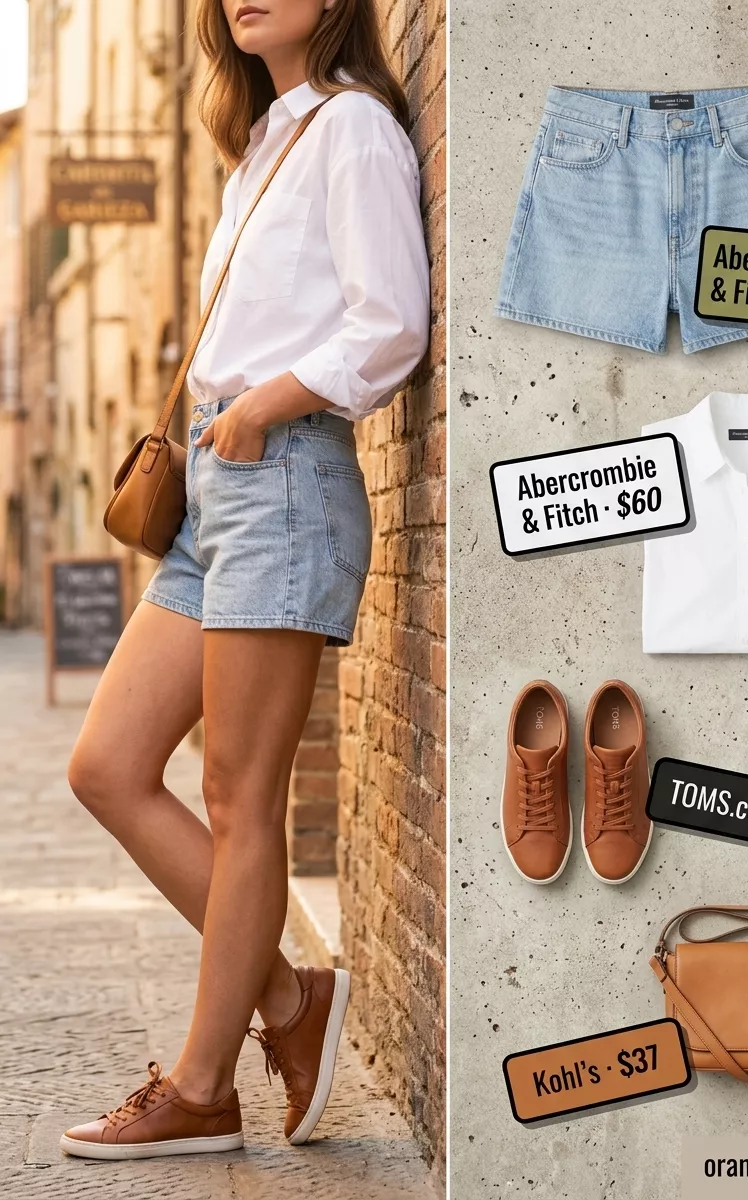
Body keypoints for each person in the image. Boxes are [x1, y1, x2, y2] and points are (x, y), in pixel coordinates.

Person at [60, 0, 429, 1160]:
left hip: (282, 477)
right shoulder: (265, 140)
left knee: (237, 797)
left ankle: (203, 1085)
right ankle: (287, 999)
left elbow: (390, 326)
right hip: (218, 491)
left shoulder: (354, 128)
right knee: (108, 765)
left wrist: (266, 400)